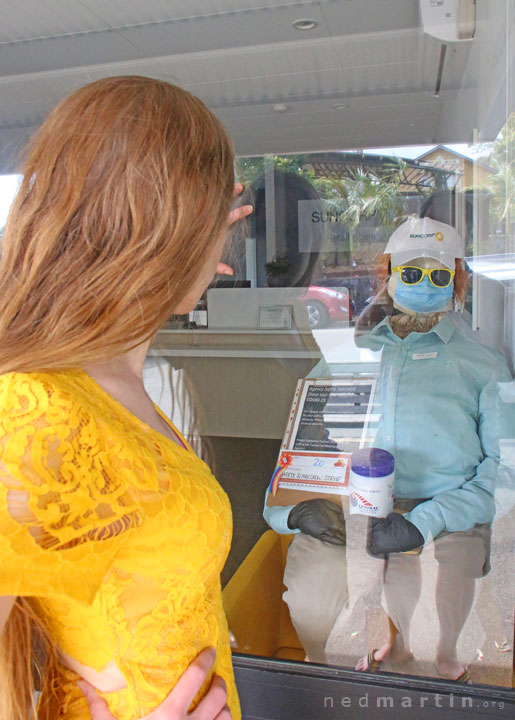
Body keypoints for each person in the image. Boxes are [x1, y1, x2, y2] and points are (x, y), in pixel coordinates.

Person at [0, 76, 252, 720]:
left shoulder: (116, 388)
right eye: (209, 218)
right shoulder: (37, 411)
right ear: (166, 227)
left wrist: (184, 260)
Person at [354, 216, 514, 681]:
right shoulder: (371, 350)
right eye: (411, 273)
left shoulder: (484, 362)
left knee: (458, 561)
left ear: (457, 280)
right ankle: (399, 646)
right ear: (389, 277)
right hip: (388, 495)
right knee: (395, 561)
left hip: (458, 499)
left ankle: (446, 654)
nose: (426, 284)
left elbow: (504, 467)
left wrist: (432, 518)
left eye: (439, 275)